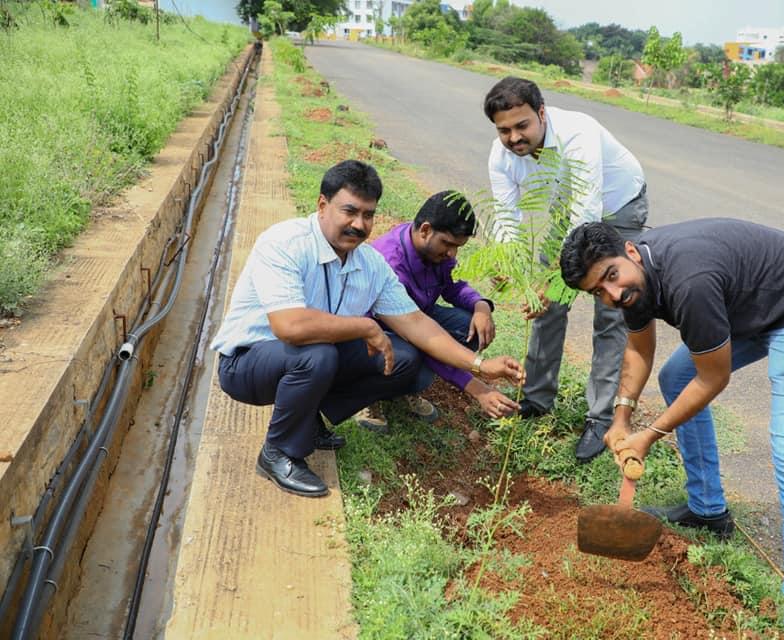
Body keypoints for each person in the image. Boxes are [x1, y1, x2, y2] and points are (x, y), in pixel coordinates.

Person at [559, 219, 784, 640]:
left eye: (611, 276)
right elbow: (639, 349)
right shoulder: (632, 284)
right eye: (597, 292)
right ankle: (708, 511)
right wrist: (621, 417)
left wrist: (648, 434)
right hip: (751, 308)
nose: (613, 294)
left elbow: (713, 378)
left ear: (630, 252)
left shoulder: (689, 280)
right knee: (675, 377)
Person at [211, 160, 524, 498]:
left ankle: (309, 417)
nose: (359, 225)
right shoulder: (285, 243)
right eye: (349, 211)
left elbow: (417, 323)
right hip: (247, 364)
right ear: (322, 205)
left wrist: (480, 367)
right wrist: (363, 325)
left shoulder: (369, 264)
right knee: (318, 354)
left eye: (368, 215)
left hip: (306, 358)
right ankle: (278, 453)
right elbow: (290, 327)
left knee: (402, 357)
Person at [483, 76, 650, 462]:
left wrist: (553, 280)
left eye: (522, 125)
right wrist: (510, 267)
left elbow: (587, 215)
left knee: (611, 313)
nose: (514, 138)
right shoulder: (500, 156)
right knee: (546, 308)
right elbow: (507, 217)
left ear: (541, 113)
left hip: (617, 205)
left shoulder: (578, 134)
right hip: (567, 210)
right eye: (504, 130)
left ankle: (600, 418)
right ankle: (536, 398)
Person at [370, 191, 521, 422]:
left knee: (469, 326)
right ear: (425, 230)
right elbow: (418, 336)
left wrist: (481, 307)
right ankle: (371, 396)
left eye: (457, 247)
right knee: (413, 362)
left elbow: (454, 285)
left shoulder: (434, 251)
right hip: (381, 332)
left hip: (419, 318)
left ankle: (406, 384)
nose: (452, 254)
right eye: (448, 244)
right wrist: (477, 386)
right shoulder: (391, 264)